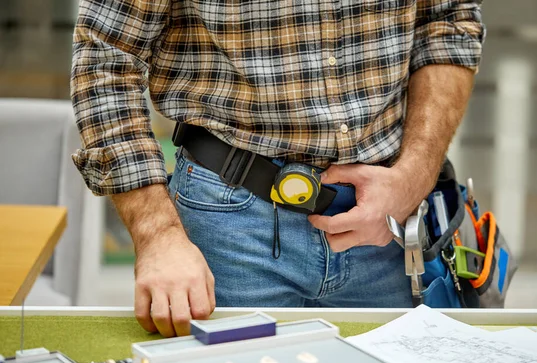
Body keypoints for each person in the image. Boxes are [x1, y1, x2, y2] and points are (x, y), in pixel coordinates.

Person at [71, 0, 485, 337]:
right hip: (226, 228)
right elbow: (105, 53)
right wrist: (157, 234)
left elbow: (447, 23)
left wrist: (413, 177)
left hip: (391, 229)